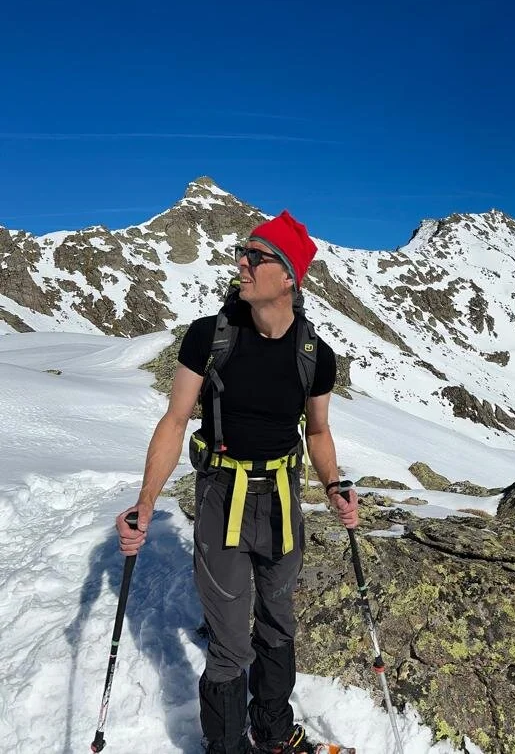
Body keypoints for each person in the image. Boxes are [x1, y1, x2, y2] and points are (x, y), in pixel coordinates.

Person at [116, 211, 360, 754]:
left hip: (281, 499)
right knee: (229, 642)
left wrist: (335, 485)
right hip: (221, 496)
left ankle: (273, 733)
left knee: (278, 624)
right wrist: (146, 503)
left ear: (290, 278)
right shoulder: (211, 337)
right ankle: (226, 747)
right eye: (241, 252)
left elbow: (317, 432)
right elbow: (175, 419)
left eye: (257, 256)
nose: (241, 263)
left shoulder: (314, 355)